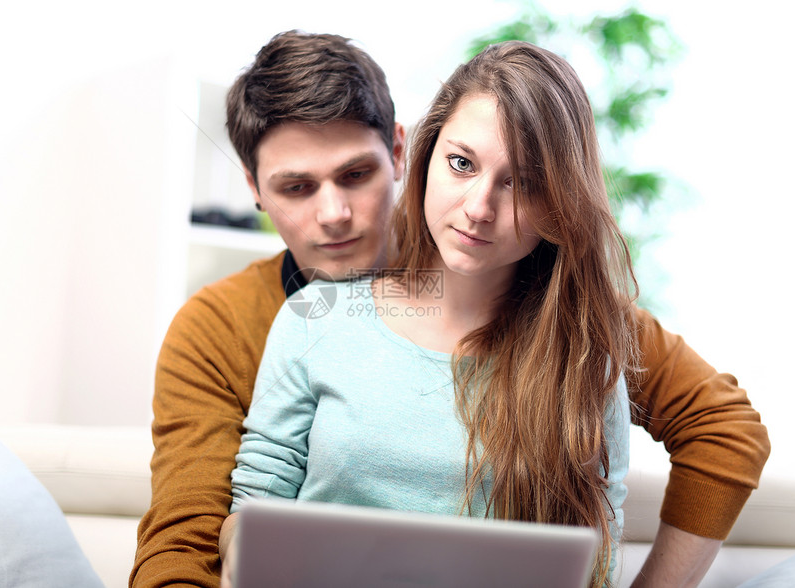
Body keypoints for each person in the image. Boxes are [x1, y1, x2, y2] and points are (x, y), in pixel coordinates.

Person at [130, 31, 770, 588]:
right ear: (254, 192)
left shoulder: (556, 314)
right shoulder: (232, 326)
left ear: (403, 154)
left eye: (356, 175)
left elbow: (722, 432)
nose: (333, 214)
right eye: (297, 187)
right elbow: (189, 536)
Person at [223, 40, 635, 587]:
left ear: (560, 202)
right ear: (422, 156)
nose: (479, 208)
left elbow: (596, 564)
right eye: (461, 164)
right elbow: (251, 510)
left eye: (522, 182)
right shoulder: (313, 318)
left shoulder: (587, 361)